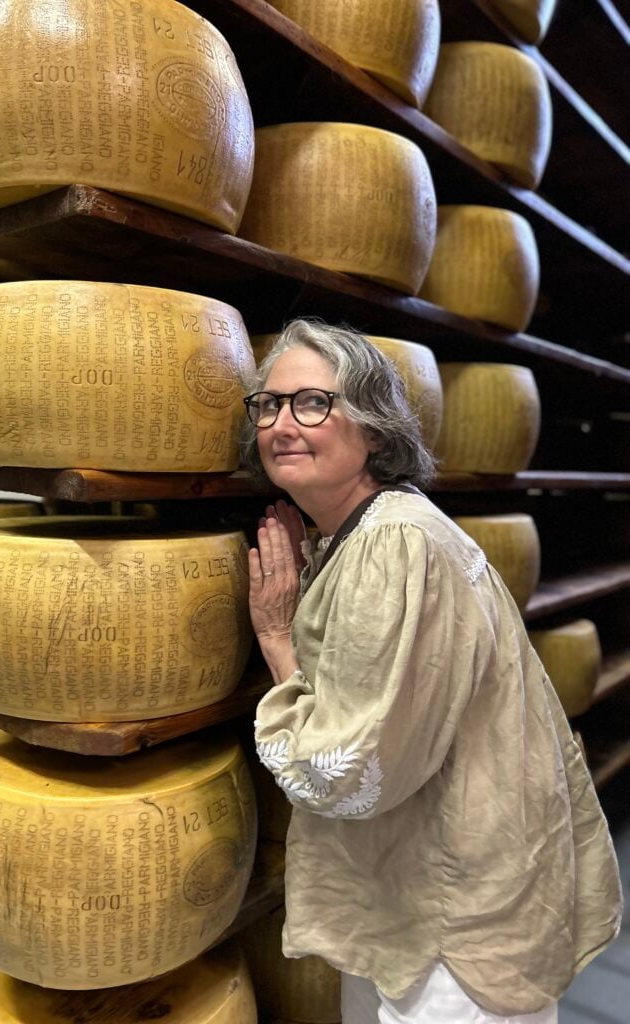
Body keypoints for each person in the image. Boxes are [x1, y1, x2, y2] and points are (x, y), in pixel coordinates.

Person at [242, 319, 622, 1024]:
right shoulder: (370, 530)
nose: (282, 425)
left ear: (376, 431)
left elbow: (347, 772)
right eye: (268, 405)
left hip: (457, 920)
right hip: (438, 892)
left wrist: (273, 634)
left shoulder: (395, 544)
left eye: (313, 403)